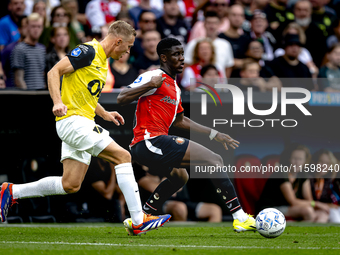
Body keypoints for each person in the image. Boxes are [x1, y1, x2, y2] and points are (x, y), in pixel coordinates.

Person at [0, 20, 171, 236]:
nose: (128, 51)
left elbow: (85, 95)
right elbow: (54, 72)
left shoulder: (101, 61)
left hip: (80, 122)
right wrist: (57, 102)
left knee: (70, 184)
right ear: (118, 41)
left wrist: (104, 114)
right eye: (128, 46)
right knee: (123, 156)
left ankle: (12, 191)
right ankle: (138, 219)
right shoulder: (88, 52)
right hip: (74, 122)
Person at [117, 37, 256, 234]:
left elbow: (180, 121)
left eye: (182, 54)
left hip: (152, 143)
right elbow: (121, 98)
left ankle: (141, 218)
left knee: (180, 177)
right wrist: (149, 85)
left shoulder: (174, 87)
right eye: (176, 54)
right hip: (149, 140)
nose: (181, 58)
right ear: (164, 57)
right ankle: (240, 217)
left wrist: (213, 133)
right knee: (214, 159)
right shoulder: (153, 76)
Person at [256, 144, 330, 222]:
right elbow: (293, 201)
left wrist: (315, 205)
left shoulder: (302, 174)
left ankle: (315, 233)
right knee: (307, 211)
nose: (297, 162)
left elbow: (309, 199)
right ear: (288, 159)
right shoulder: (281, 173)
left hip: (290, 208)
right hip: (271, 209)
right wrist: (318, 204)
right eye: (294, 158)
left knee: (322, 214)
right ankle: (303, 233)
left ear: (305, 161)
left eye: (300, 159)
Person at [184, 11, 234, 78]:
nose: (212, 26)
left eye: (215, 23)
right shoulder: (193, 43)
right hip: (198, 86)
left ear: (219, 24)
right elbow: (186, 65)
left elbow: (228, 67)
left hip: (220, 86)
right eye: (209, 23)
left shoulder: (226, 44)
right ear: (204, 24)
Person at [11, 13, 46, 90]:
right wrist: (28, 95)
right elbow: (18, 79)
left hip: (42, 93)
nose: (36, 29)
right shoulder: (19, 49)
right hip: (27, 95)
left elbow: (42, 75)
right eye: (33, 26)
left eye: (39, 26)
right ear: (27, 27)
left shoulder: (42, 49)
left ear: (42, 28)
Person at [310, 149, 340, 223]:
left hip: (327, 208)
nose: (323, 166)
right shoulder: (307, 179)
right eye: (321, 161)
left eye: (327, 163)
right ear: (314, 162)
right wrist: (325, 205)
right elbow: (309, 201)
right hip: (311, 209)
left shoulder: (327, 181)